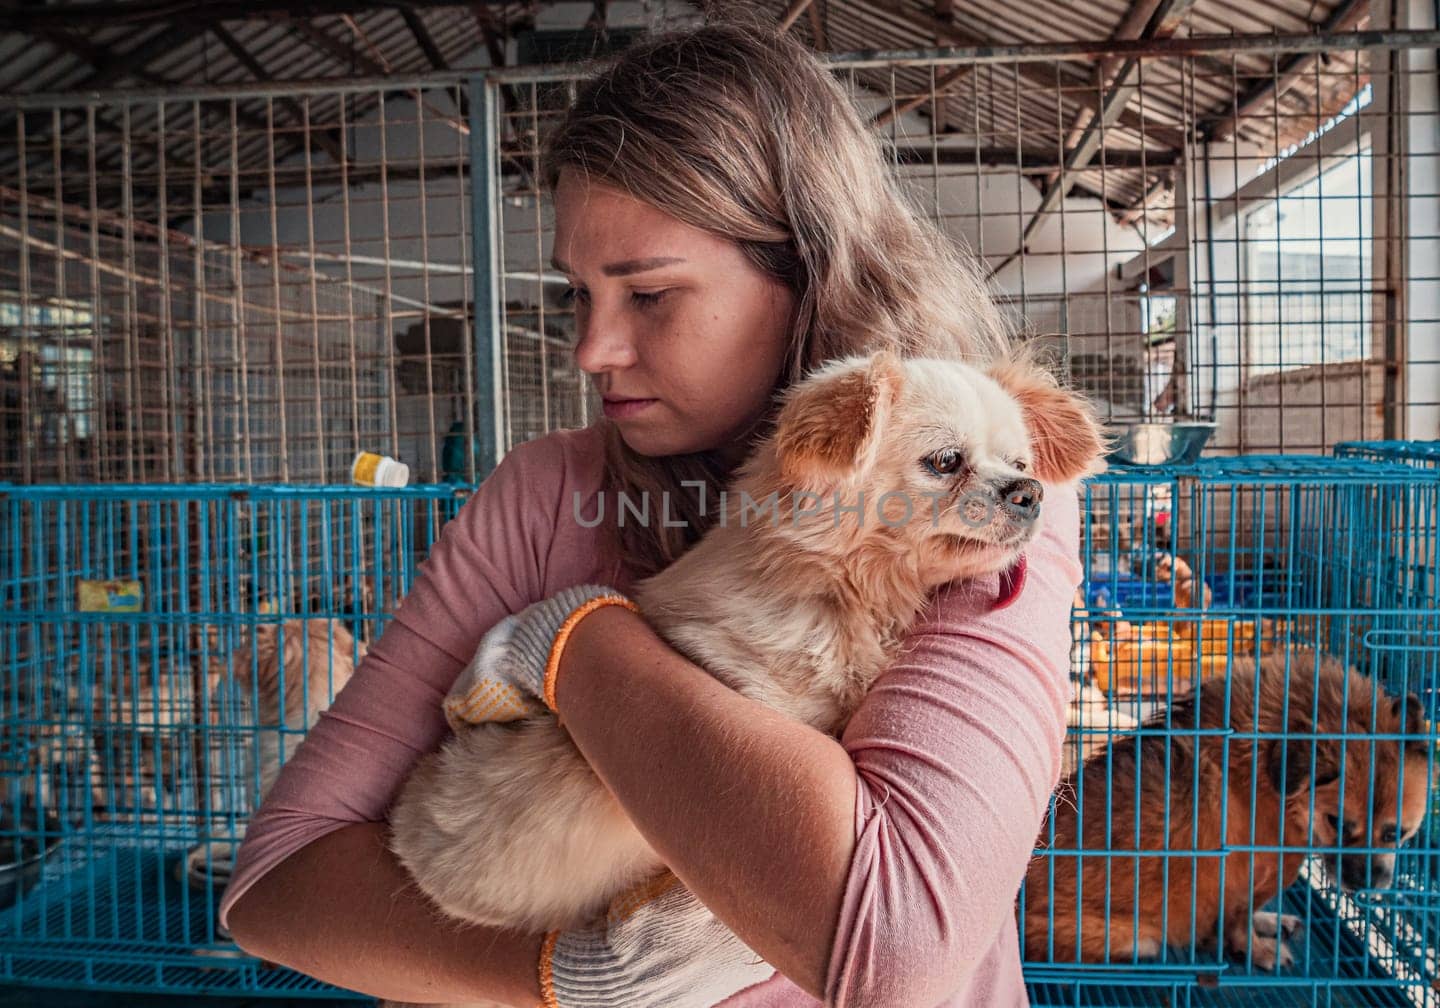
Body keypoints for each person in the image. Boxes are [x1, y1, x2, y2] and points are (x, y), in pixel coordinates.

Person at [221, 21, 1084, 1008]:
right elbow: (276, 884)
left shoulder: (975, 494)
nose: (592, 350)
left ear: (805, 275)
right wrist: (570, 975)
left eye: (650, 295)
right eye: (578, 293)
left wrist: (575, 643)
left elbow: (895, 951)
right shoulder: (546, 489)